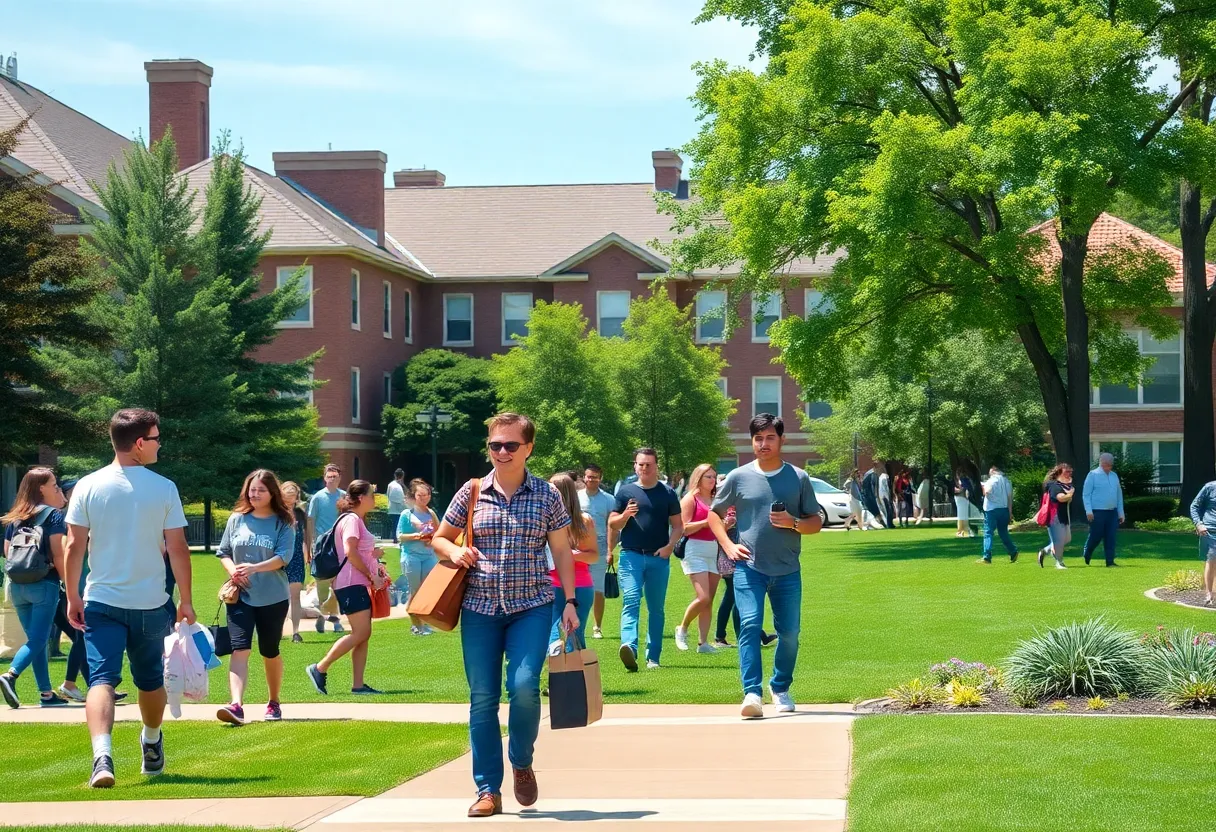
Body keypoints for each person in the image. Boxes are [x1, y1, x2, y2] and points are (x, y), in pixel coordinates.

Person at [431, 412, 578, 818]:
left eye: (510, 445)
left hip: (531, 606)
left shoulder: (546, 495)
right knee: (482, 698)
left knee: (526, 686)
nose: (501, 452)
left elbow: (562, 551)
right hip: (479, 607)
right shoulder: (472, 491)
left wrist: (569, 601)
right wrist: (455, 550)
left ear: (528, 448)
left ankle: (522, 761)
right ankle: (487, 790)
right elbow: (440, 538)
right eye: (495, 444)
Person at [64, 409, 194, 789]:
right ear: (139, 444)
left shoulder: (87, 486)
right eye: (155, 438)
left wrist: (72, 595)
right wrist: (185, 600)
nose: (159, 444)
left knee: (101, 680)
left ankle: (101, 757)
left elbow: (75, 546)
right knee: (149, 680)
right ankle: (151, 742)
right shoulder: (164, 487)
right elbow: (179, 548)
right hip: (151, 601)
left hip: (100, 600)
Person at [706, 414, 822, 718]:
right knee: (750, 625)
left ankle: (780, 687)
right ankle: (752, 694)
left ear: (782, 440)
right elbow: (713, 515)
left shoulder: (798, 478)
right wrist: (728, 546)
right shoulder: (738, 477)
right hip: (748, 568)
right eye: (758, 438)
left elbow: (815, 522)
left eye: (770, 437)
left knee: (790, 633)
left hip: (786, 570)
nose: (764, 443)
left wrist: (793, 523)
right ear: (751, 441)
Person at [215, 470, 295, 725]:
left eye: (261, 490)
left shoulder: (283, 523)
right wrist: (234, 573)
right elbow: (224, 552)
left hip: (273, 596)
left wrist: (254, 568)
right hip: (240, 596)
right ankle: (236, 705)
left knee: (269, 650)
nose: (255, 494)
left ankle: (273, 701)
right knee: (240, 648)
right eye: (252, 489)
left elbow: (284, 557)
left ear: (272, 493)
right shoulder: (237, 519)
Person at [305, 480, 387, 696]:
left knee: (363, 634)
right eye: (372, 494)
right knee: (361, 632)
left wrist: (373, 556)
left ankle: (358, 685)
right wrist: (371, 575)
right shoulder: (352, 520)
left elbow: (353, 551)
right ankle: (320, 668)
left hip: (353, 582)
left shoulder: (354, 519)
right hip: (351, 582)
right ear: (361, 498)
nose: (374, 499)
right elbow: (350, 552)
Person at [0, 467, 71, 708]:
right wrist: (70, 587)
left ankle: (46, 695)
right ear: (40, 488)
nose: (56, 488)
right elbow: (59, 554)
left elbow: (7, 552)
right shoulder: (53, 516)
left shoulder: (17, 516)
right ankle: (10, 675)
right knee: (39, 638)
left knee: (36, 639)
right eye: (53, 485)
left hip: (17, 586)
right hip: (44, 583)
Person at [609, 448, 683, 671]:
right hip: (630, 556)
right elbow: (613, 523)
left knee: (656, 608)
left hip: (658, 558)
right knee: (631, 601)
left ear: (656, 466)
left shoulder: (668, 493)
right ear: (635, 466)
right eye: (640, 464)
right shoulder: (625, 492)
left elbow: (679, 526)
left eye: (648, 464)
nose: (644, 468)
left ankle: (654, 657)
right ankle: (629, 647)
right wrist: (625, 515)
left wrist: (670, 547)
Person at [712, 505, 778, 650]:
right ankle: (732, 636)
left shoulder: (743, 507)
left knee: (733, 598)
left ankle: (750, 635)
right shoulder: (724, 509)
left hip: (741, 557)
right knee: (734, 598)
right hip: (730, 557)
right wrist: (728, 524)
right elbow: (716, 531)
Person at [547, 472, 598, 649]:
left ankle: (573, 672)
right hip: (552, 583)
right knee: (555, 632)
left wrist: (570, 555)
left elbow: (593, 556)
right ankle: (572, 673)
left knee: (572, 635)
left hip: (579, 584)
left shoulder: (584, 521)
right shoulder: (545, 518)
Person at [674, 464, 722, 653]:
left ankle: (703, 643)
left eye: (714, 477)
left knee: (709, 600)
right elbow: (684, 528)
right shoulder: (690, 499)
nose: (712, 480)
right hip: (694, 549)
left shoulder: (715, 499)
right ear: (699, 478)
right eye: (708, 477)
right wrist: (707, 521)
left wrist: (726, 524)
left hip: (714, 548)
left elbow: (717, 527)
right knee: (703, 597)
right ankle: (682, 627)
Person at [397, 478, 440, 635]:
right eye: (420, 495)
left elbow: (439, 532)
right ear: (414, 496)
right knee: (415, 591)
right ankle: (416, 625)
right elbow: (400, 536)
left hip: (428, 556)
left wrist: (432, 539)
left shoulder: (431, 513)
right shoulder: (406, 514)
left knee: (427, 591)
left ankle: (424, 622)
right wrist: (417, 536)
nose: (424, 498)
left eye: (427, 494)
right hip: (411, 556)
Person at [306, 464, 346, 633]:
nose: (332, 479)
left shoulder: (344, 497)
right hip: (322, 547)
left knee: (339, 585)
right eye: (329, 477)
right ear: (324, 478)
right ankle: (323, 617)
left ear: (339, 478)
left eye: (335, 477)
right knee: (322, 584)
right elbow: (310, 521)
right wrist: (309, 546)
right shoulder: (318, 498)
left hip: (340, 546)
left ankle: (335, 619)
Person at [578, 464, 614, 639]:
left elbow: (612, 527)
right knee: (577, 587)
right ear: (584, 477)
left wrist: (610, 550)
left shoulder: (609, 500)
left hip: (600, 548)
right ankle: (576, 624)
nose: (591, 480)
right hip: (579, 549)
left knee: (598, 589)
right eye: (589, 476)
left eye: (595, 477)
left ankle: (597, 627)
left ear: (601, 478)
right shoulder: (576, 498)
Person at [280, 481, 310, 644]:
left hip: (297, 557)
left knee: (295, 596)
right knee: (279, 597)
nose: (291, 499)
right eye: (288, 496)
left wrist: (308, 551)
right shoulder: (277, 513)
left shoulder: (300, 513)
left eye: (293, 496)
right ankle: (277, 630)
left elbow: (305, 535)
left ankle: (296, 632)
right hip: (280, 559)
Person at [1082, 453, 1125, 567]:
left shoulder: (1114, 476)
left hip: (1112, 512)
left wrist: (1121, 513)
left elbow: (1118, 495)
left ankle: (1110, 561)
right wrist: (1089, 511)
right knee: (1096, 536)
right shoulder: (1093, 475)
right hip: (1097, 512)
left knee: (1110, 537)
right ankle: (1088, 552)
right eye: (1106, 464)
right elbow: (1086, 495)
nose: (1108, 467)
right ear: (1101, 462)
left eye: (1110, 464)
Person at [978, 465, 1018, 564]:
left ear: (992, 472)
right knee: (1003, 532)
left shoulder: (991, 481)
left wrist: (983, 489)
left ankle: (987, 556)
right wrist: (1010, 512)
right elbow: (1009, 498)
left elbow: (987, 491)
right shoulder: (1007, 481)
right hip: (1004, 509)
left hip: (991, 510)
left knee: (988, 532)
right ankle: (1013, 551)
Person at [1037, 464, 1074, 570]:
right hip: (1055, 517)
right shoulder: (1054, 485)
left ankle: (1045, 551)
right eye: (1066, 472)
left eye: (1070, 472)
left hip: (1063, 516)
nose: (1069, 474)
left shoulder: (1062, 485)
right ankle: (1059, 562)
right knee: (1059, 542)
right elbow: (1060, 498)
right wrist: (1070, 494)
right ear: (1058, 474)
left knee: (1066, 539)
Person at [1189, 478, 1216, 605]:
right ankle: (1209, 594)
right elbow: (1194, 506)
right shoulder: (1209, 487)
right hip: (1211, 530)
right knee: (1212, 560)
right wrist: (1199, 524)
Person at [386, 469, 407, 542]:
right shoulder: (397, 486)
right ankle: (396, 538)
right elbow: (401, 498)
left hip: (392, 508)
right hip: (398, 509)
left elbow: (388, 495)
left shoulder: (391, 485)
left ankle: (395, 538)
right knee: (398, 524)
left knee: (395, 524)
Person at [861, 462, 884, 528]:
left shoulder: (868, 474)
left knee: (873, 512)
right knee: (876, 511)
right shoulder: (872, 474)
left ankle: (878, 523)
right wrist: (876, 497)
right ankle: (881, 523)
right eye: (879, 466)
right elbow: (873, 487)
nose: (880, 468)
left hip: (867, 496)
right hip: (870, 496)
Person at [953, 470, 975, 538]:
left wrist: (961, 489)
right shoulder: (962, 480)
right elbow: (957, 490)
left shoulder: (964, 480)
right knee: (962, 514)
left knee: (963, 514)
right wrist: (961, 489)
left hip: (963, 499)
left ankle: (962, 530)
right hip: (961, 498)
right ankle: (962, 530)